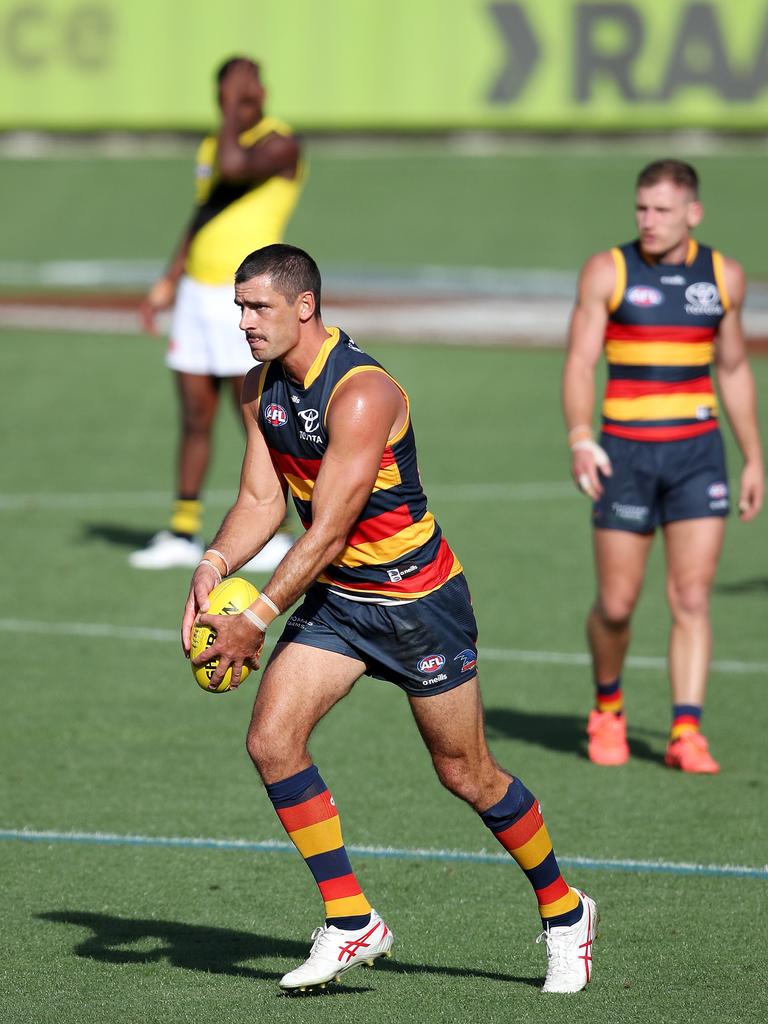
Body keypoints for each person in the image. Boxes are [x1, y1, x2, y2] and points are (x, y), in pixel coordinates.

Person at [181, 244, 598, 994]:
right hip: (341, 603)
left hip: (418, 605)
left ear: (304, 306)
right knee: (272, 741)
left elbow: (330, 527)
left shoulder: (363, 393)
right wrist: (212, 568)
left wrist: (261, 615)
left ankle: (566, 914)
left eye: (257, 308)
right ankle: (351, 922)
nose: (242, 322)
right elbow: (260, 502)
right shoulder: (259, 388)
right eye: (238, 307)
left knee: (465, 774)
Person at [562, 159, 764, 774]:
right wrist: (580, 436)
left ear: (692, 214)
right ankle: (608, 706)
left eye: (662, 210)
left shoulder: (724, 277)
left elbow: (730, 368)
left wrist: (753, 455)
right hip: (624, 455)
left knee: (692, 597)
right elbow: (579, 362)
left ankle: (686, 731)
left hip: (698, 456)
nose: (648, 221)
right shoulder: (608, 271)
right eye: (641, 208)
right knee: (618, 605)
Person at [131, 57, 304, 571]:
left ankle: (283, 529)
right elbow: (205, 211)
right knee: (193, 414)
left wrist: (232, 107)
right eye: (230, 97)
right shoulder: (215, 144)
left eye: (245, 96)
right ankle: (183, 529)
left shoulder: (281, 144)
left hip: (249, 298)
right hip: (196, 297)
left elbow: (233, 167)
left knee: (255, 415)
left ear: (263, 95)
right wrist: (170, 277)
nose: (237, 106)